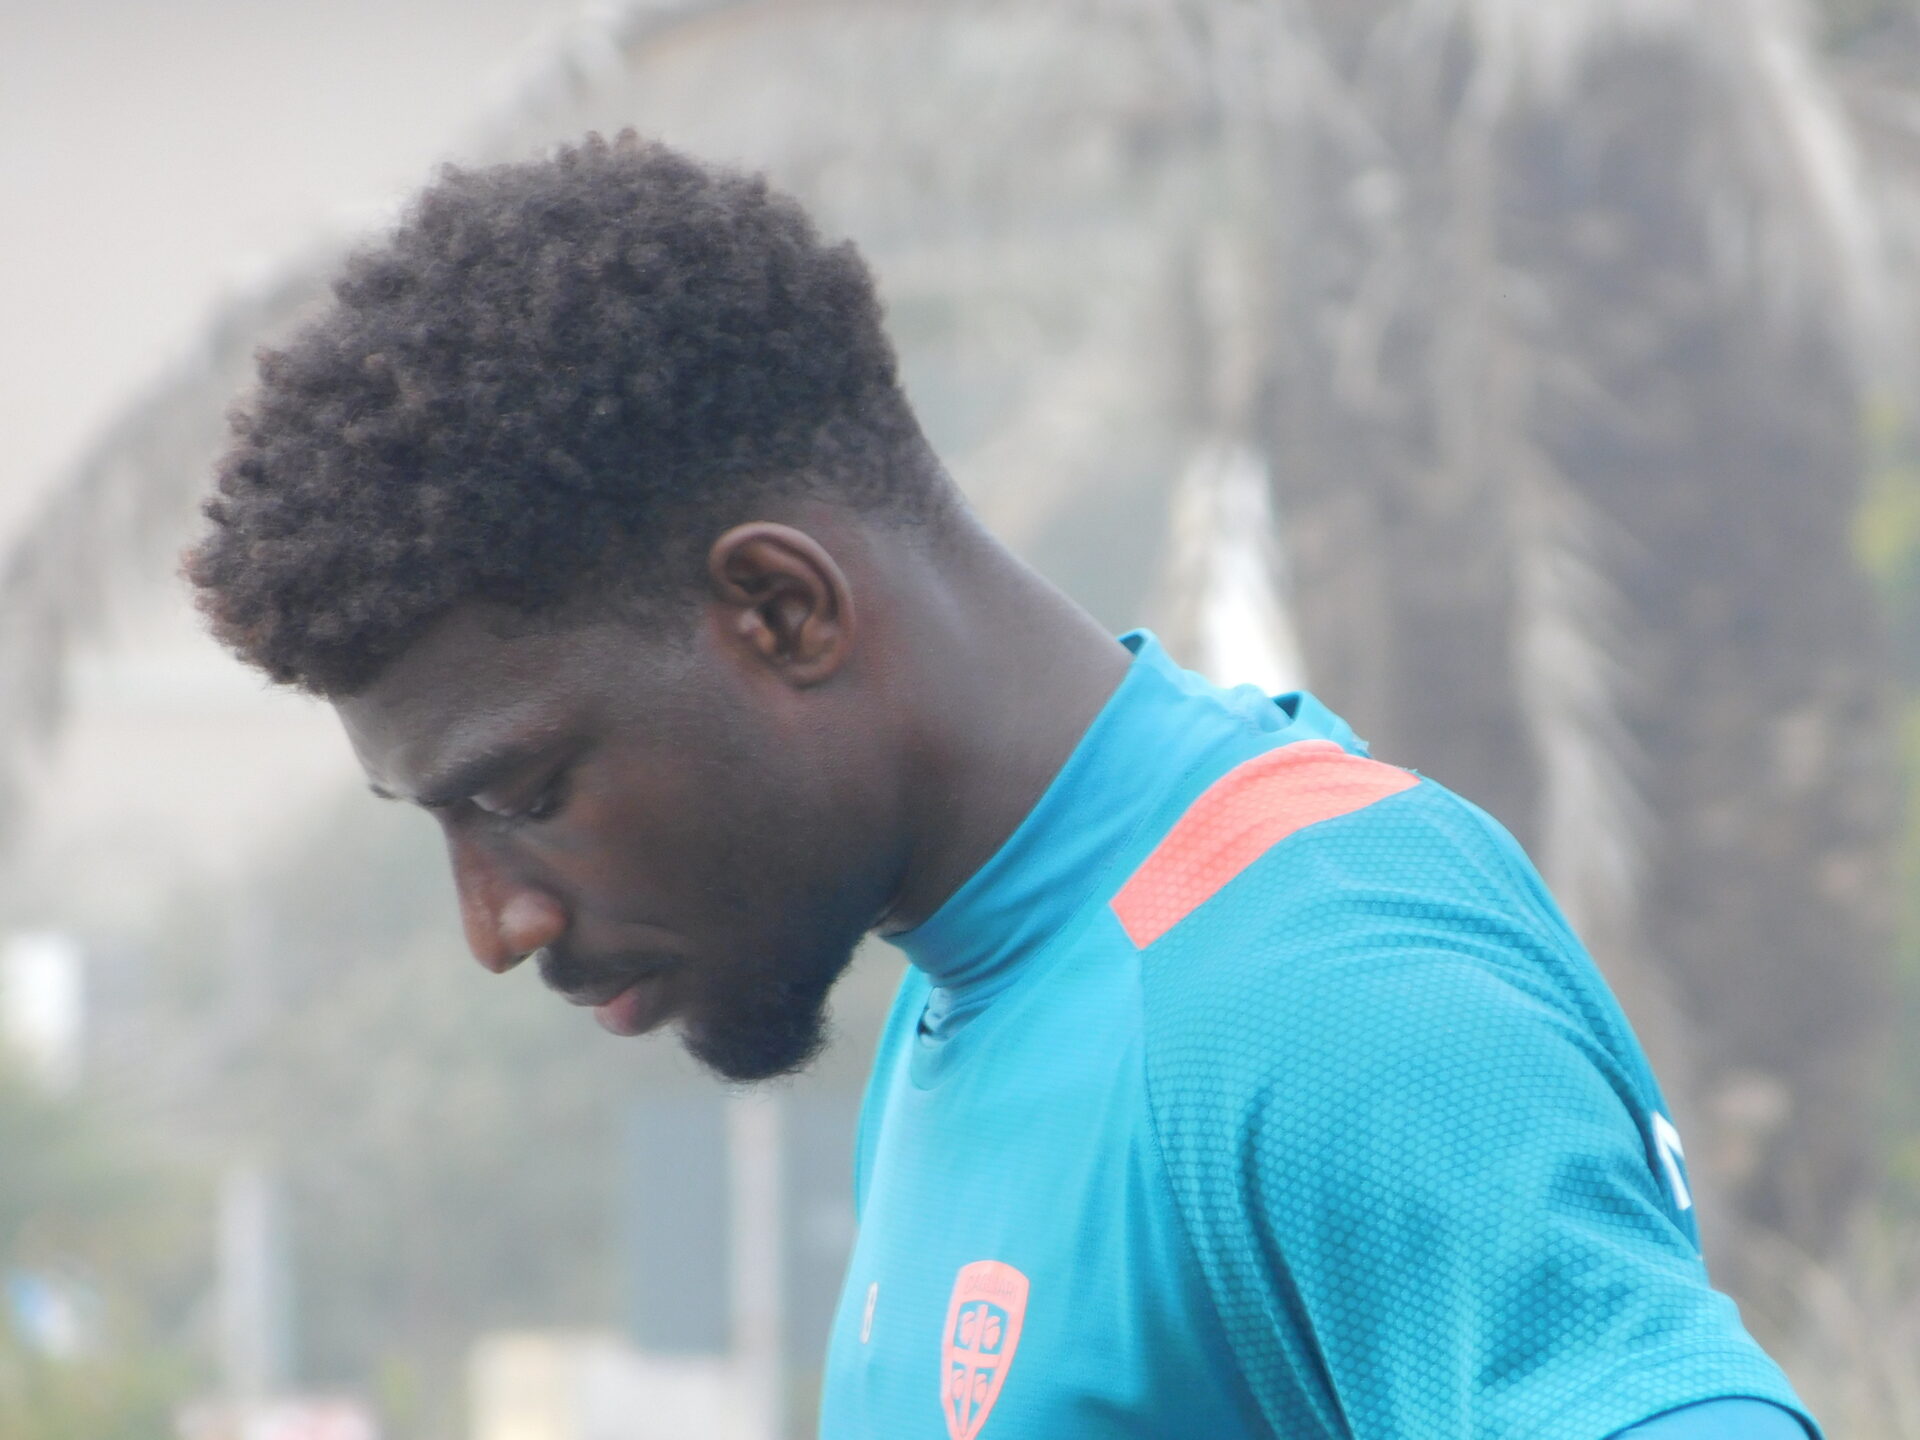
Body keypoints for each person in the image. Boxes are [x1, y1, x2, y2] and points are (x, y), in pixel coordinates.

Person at [185, 132, 1817, 1439]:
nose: (495, 924)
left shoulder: (1314, 991)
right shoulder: (978, 981)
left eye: (523, 791)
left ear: (781, 610)